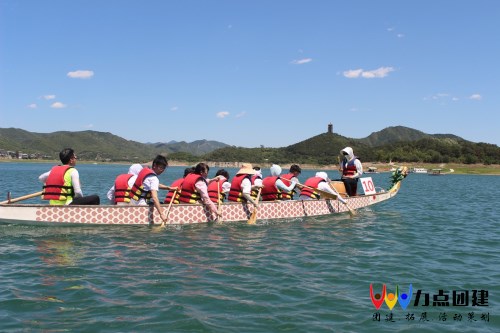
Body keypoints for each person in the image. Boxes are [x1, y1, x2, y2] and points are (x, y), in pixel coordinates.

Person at [128, 155, 169, 221]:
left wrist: (168, 188)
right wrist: (162, 214)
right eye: (161, 167)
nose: (162, 170)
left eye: (164, 168)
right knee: (159, 203)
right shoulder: (154, 178)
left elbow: (152, 185)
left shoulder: (145, 171)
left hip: (132, 202)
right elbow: (155, 198)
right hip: (141, 205)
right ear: (155, 165)